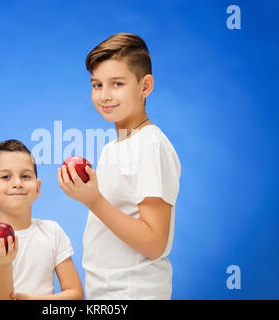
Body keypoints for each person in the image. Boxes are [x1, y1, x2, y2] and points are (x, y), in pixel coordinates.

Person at [57, 33, 181, 299]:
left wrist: (93, 201)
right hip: (105, 293)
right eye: (97, 85)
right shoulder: (113, 147)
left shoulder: (150, 146)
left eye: (117, 84)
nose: (104, 95)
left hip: (133, 292)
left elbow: (154, 243)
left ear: (145, 86)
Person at [0, 139, 84, 300]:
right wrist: (4, 265)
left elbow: (75, 295)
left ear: (38, 188)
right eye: (6, 176)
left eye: (25, 176)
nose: (18, 183)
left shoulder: (52, 231)